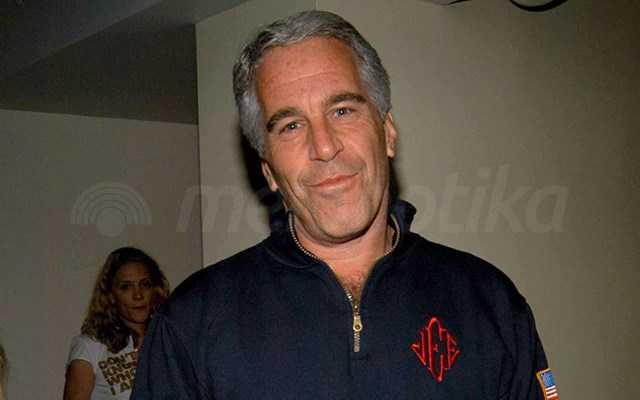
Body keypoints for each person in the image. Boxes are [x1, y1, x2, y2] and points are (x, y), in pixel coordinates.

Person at [132, 10, 559, 400]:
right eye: (291, 125)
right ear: (268, 170)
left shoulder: (489, 302)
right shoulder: (192, 325)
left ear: (387, 133)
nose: (324, 147)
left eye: (342, 111)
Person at [64, 247, 169, 400]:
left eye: (145, 284)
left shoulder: (170, 341)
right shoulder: (90, 346)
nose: (138, 295)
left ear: (156, 289)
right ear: (111, 295)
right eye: (126, 287)